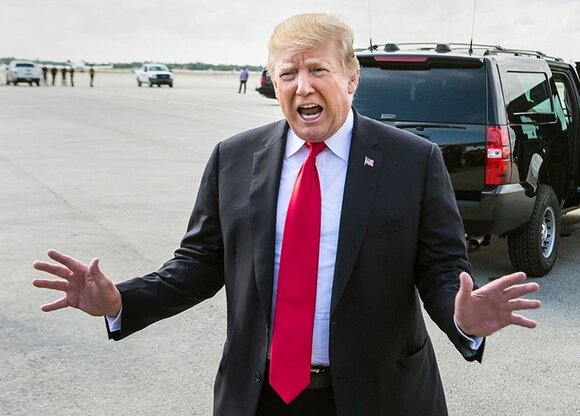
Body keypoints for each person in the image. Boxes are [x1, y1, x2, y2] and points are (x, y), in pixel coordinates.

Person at [32, 13, 541, 416]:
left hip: (379, 395)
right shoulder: (233, 158)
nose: (303, 86)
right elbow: (198, 263)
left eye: (318, 69)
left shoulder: (413, 160)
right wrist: (122, 299)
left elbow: (440, 268)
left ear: (352, 79)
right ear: (272, 83)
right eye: (288, 74)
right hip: (260, 397)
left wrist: (461, 316)